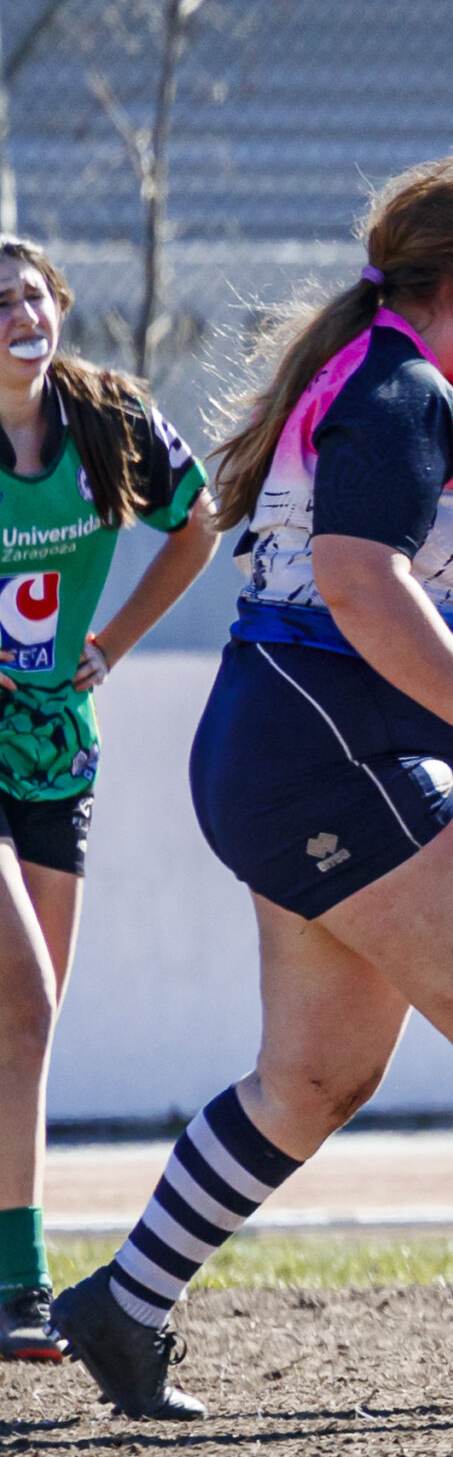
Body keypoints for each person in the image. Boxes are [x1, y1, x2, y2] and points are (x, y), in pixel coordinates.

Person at [51, 154, 453, 1424]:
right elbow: (358, 580)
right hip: (330, 748)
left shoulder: (399, 379)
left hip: (297, 748)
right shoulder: (395, 388)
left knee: (314, 1077)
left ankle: (124, 1303)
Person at [0, 238, 222, 1360]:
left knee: (27, 1025)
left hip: (56, 751)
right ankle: (23, 1279)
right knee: (22, 992)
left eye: (32, 295)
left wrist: (113, 644)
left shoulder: (110, 418)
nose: (18, 315)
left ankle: (10, 1285)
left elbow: (200, 521)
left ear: (61, 307)